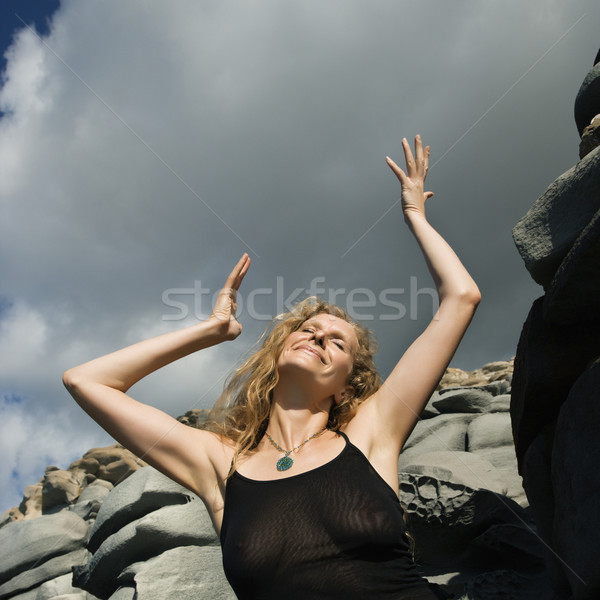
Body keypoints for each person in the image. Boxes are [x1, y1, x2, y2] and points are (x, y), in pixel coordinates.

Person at [63, 136, 480, 599]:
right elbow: (87, 381)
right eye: (307, 330)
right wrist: (210, 329)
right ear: (278, 356)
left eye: (337, 341)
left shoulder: (373, 430)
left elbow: (461, 298)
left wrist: (415, 217)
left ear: (347, 386)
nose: (318, 336)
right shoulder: (221, 464)